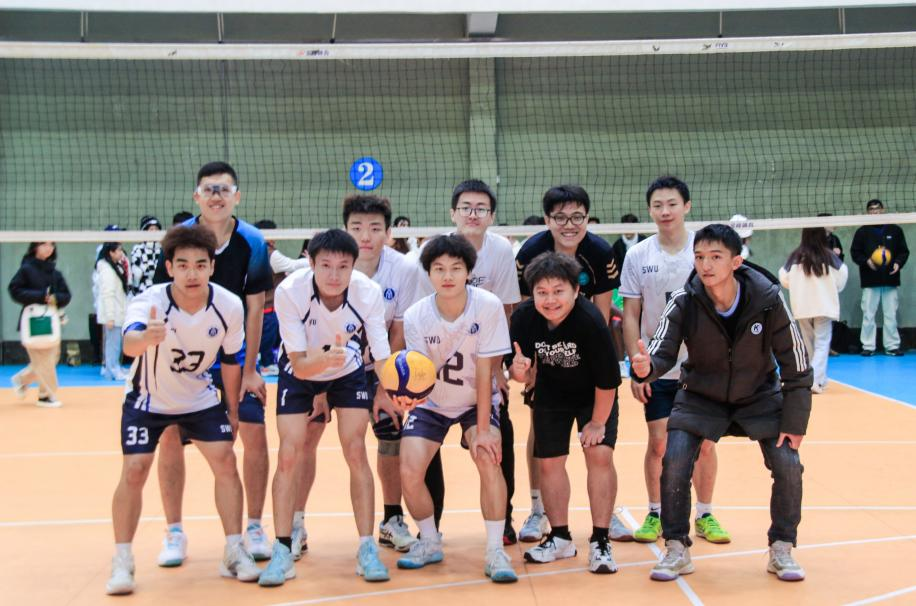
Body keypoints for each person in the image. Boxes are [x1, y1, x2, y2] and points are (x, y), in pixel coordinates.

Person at [630, 223, 811, 583]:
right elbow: (661, 352)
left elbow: (797, 366)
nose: (706, 265)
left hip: (759, 395)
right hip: (700, 395)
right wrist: (646, 368)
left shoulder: (769, 300)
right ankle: (676, 547)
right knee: (674, 459)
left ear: (736, 262)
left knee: (788, 463)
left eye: (715, 257)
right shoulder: (684, 300)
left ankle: (782, 548)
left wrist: (795, 423)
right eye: (699, 257)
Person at [105, 225, 261, 595]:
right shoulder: (150, 301)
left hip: (199, 398)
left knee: (226, 461)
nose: (192, 273)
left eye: (201, 265)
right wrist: (147, 337)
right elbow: (129, 345)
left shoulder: (228, 305)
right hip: (148, 399)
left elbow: (231, 361)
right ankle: (122, 560)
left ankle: (234, 550)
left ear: (212, 267)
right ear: (170, 267)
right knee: (135, 469)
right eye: (183, 265)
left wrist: (233, 410)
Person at [152, 162, 274, 566]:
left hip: (235, 354)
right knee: (170, 436)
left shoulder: (252, 241)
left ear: (236, 196)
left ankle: (253, 526)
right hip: (186, 359)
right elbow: (163, 303)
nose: (216, 196)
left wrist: (250, 370)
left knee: (254, 433)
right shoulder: (179, 239)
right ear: (197, 196)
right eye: (209, 189)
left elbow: (255, 309)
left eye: (224, 189)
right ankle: (174, 531)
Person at [291, 196, 426, 559]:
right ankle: (296, 523)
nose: (365, 236)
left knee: (390, 431)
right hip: (323, 366)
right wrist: (318, 386)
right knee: (307, 436)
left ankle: (392, 519)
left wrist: (385, 388)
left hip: (374, 368)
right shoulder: (323, 270)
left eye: (375, 228)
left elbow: (398, 331)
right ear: (344, 230)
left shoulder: (404, 269)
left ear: (389, 233)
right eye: (357, 228)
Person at [260, 228, 392, 586]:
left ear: (354, 266)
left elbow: (381, 357)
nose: (334, 275)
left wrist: (398, 390)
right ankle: (283, 548)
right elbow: (300, 364)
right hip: (301, 370)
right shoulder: (290, 292)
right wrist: (321, 363)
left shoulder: (367, 292)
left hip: (346, 370)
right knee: (290, 454)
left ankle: (366, 548)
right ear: (310, 263)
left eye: (343, 266)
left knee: (356, 450)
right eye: (326, 266)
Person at [395, 234, 518, 583]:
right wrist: (408, 398)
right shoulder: (416, 315)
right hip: (433, 403)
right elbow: (420, 373)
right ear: (428, 273)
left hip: (475, 400)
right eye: (439, 269)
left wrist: (483, 431)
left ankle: (494, 550)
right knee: (409, 469)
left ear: (468, 272)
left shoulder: (488, 305)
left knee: (488, 456)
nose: (447, 276)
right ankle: (429, 540)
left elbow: (485, 371)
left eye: (456, 268)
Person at [620, 176, 730, 544]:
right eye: (658, 205)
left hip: (703, 367)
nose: (665, 211)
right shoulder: (638, 255)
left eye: (672, 204)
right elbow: (630, 313)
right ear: (650, 210)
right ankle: (655, 512)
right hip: (658, 365)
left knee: (706, 443)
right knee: (659, 443)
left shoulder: (704, 252)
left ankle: (705, 513)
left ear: (687, 206)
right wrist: (637, 363)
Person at [514, 184, 626, 543]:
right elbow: (528, 309)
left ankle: (606, 518)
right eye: (560, 217)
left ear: (587, 219)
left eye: (577, 217)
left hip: (588, 355)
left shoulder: (600, 252)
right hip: (547, 365)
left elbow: (603, 313)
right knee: (542, 439)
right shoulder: (530, 253)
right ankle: (538, 510)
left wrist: (592, 358)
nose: (569, 225)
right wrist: (529, 367)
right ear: (548, 220)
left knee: (599, 450)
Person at [417, 179, 523, 543]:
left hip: (484, 357)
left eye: (481, 208)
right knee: (424, 444)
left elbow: (507, 310)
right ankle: (431, 527)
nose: (473, 214)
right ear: (453, 213)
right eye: (466, 207)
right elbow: (422, 314)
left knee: (499, 434)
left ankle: (503, 520)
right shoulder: (435, 252)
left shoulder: (501, 250)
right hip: (439, 361)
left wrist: (499, 371)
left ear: (491, 216)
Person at [509, 252, 622, 574]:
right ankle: (560, 538)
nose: (550, 300)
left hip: (593, 396)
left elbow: (608, 382)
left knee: (599, 455)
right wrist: (519, 371)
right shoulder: (524, 318)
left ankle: (601, 540)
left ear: (576, 290)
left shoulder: (590, 321)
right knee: (549, 464)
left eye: (558, 291)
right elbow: (518, 372)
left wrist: (597, 422)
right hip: (551, 394)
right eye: (542, 292)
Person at [780, 228, 848, 393]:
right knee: (822, 343)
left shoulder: (795, 256)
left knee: (808, 344)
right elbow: (842, 275)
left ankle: (814, 379)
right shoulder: (829, 256)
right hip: (823, 305)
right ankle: (816, 380)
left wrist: (795, 286)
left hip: (802, 306)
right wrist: (833, 288)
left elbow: (783, 277)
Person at [9, 241, 71, 408]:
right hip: (33, 321)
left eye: (51, 244)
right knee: (44, 360)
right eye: (44, 244)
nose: (49, 247)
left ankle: (22, 379)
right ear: (35, 246)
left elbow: (66, 295)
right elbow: (14, 290)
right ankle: (46, 396)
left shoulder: (55, 272)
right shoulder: (26, 269)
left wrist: (55, 298)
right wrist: (40, 296)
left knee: (51, 358)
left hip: (52, 321)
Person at [850, 199, 909, 356]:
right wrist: (866, 261)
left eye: (877, 208)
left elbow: (903, 251)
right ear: (868, 212)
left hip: (890, 279)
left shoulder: (895, 230)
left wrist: (898, 263)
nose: (875, 211)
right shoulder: (862, 232)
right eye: (871, 209)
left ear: (883, 210)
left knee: (891, 314)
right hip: (870, 280)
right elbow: (855, 252)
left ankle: (892, 346)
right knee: (868, 314)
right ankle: (868, 346)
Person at [97, 240, 129, 381]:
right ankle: (112, 370)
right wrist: (110, 317)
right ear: (111, 252)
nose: (121, 253)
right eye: (119, 250)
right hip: (113, 314)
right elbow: (108, 294)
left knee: (116, 343)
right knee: (112, 344)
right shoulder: (107, 270)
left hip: (118, 312)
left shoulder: (115, 267)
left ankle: (114, 367)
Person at [129, 215, 162, 296]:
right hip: (144, 291)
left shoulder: (163, 249)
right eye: (151, 229)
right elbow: (137, 274)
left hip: (160, 291)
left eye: (156, 229)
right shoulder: (138, 249)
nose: (154, 232)